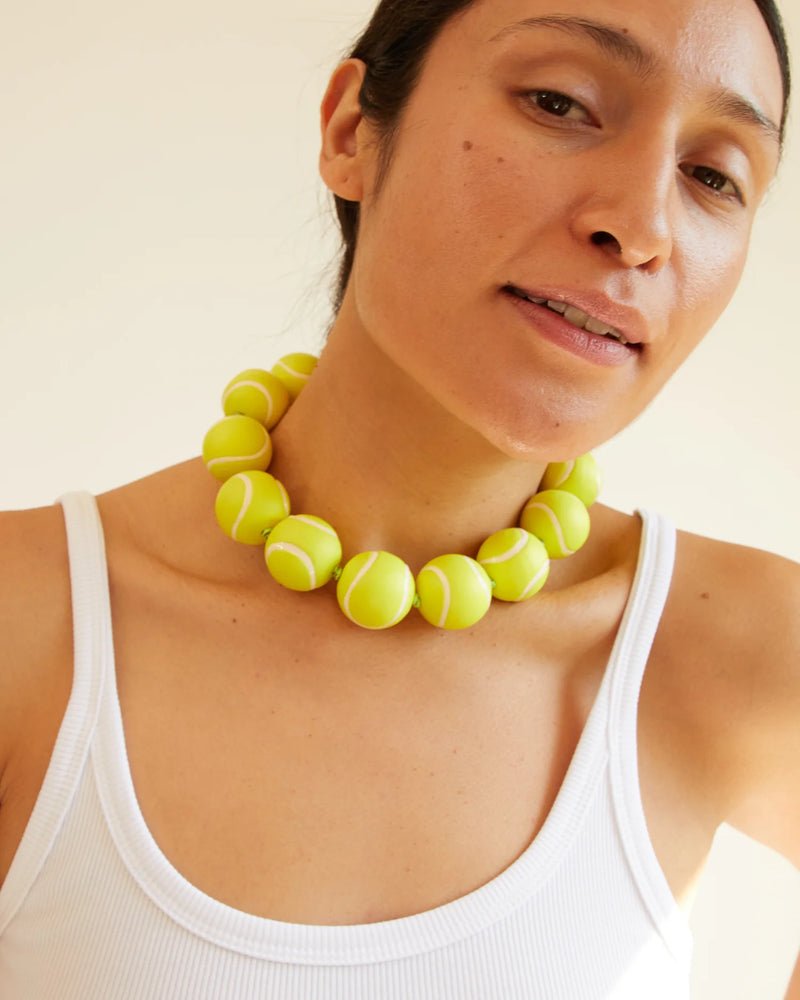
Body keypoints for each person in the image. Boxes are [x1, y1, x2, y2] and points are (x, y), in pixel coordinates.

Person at [0, 0, 797, 996]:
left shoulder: (743, 650)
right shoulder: (27, 620)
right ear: (351, 132)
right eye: (559, 102)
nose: (639, 229)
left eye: (713, 176)